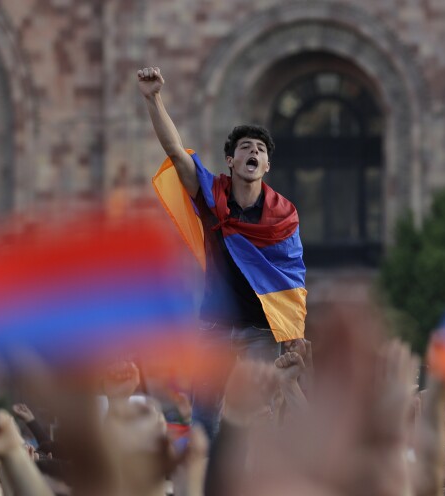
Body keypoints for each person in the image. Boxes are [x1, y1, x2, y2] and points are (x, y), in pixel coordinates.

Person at [137, 66, 307, 438]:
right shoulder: (212, 197)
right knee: (204, 418)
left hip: (261, 331)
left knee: (261, 413)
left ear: (266, 166)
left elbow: (293, 276)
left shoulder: (283, 216)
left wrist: (294, 330)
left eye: (260, 150)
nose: (253, 151)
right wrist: (153, 98)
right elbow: (176, 152)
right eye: (245, 147)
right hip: (213, 327)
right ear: (230, 161)